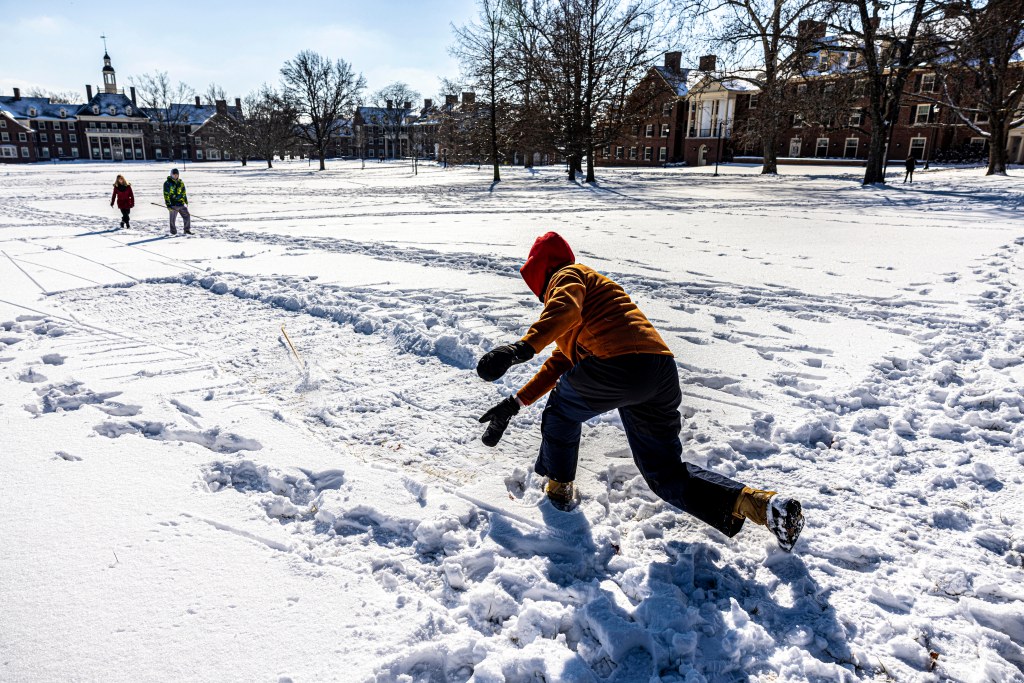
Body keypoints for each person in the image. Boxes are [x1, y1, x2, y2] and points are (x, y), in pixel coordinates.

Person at [475, 232, 805, 551]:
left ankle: (559, 497)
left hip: (619, 364)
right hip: (658, 372)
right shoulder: (591, 308)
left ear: (539, 272)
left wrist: (520, 348)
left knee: (561, 408)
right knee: (665, 475)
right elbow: (559, 362)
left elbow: (565, 309)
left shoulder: (567, 275)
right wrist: (513, 403)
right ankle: (765, 507)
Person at [163, 168, 192, 236]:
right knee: (172, 219)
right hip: (173, 204)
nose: (175, 176)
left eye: (177, 174)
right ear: (171, 175)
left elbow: (184, 192)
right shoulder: (167, 183)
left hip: (181, 203)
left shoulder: (180, 182)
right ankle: (173, 232)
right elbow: (166, 194)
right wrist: (168, 205)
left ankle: (187, 230)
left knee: (187, 216)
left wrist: (185, 201)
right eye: (174, 174)